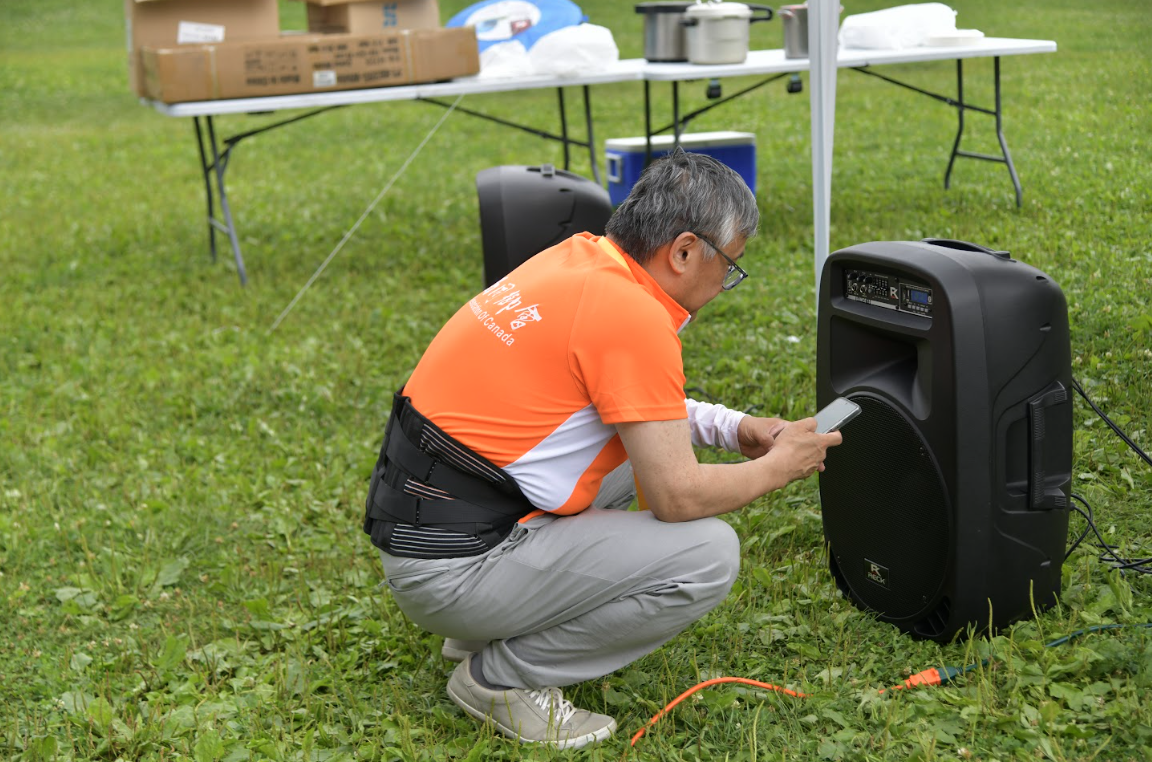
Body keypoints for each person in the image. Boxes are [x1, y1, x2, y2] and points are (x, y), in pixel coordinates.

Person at [363, 149, 842, 749]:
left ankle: (489, 627)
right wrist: (778, 467)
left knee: (631, 467)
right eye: (731, 265)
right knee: (707, 555)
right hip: (452, 571)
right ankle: (500, 679)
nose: (727, 284)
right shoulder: (633, 317)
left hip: (429, 536)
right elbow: (677, 495)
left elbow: (629, 406)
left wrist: (736, 427)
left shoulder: (579, 262)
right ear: (685, 250)